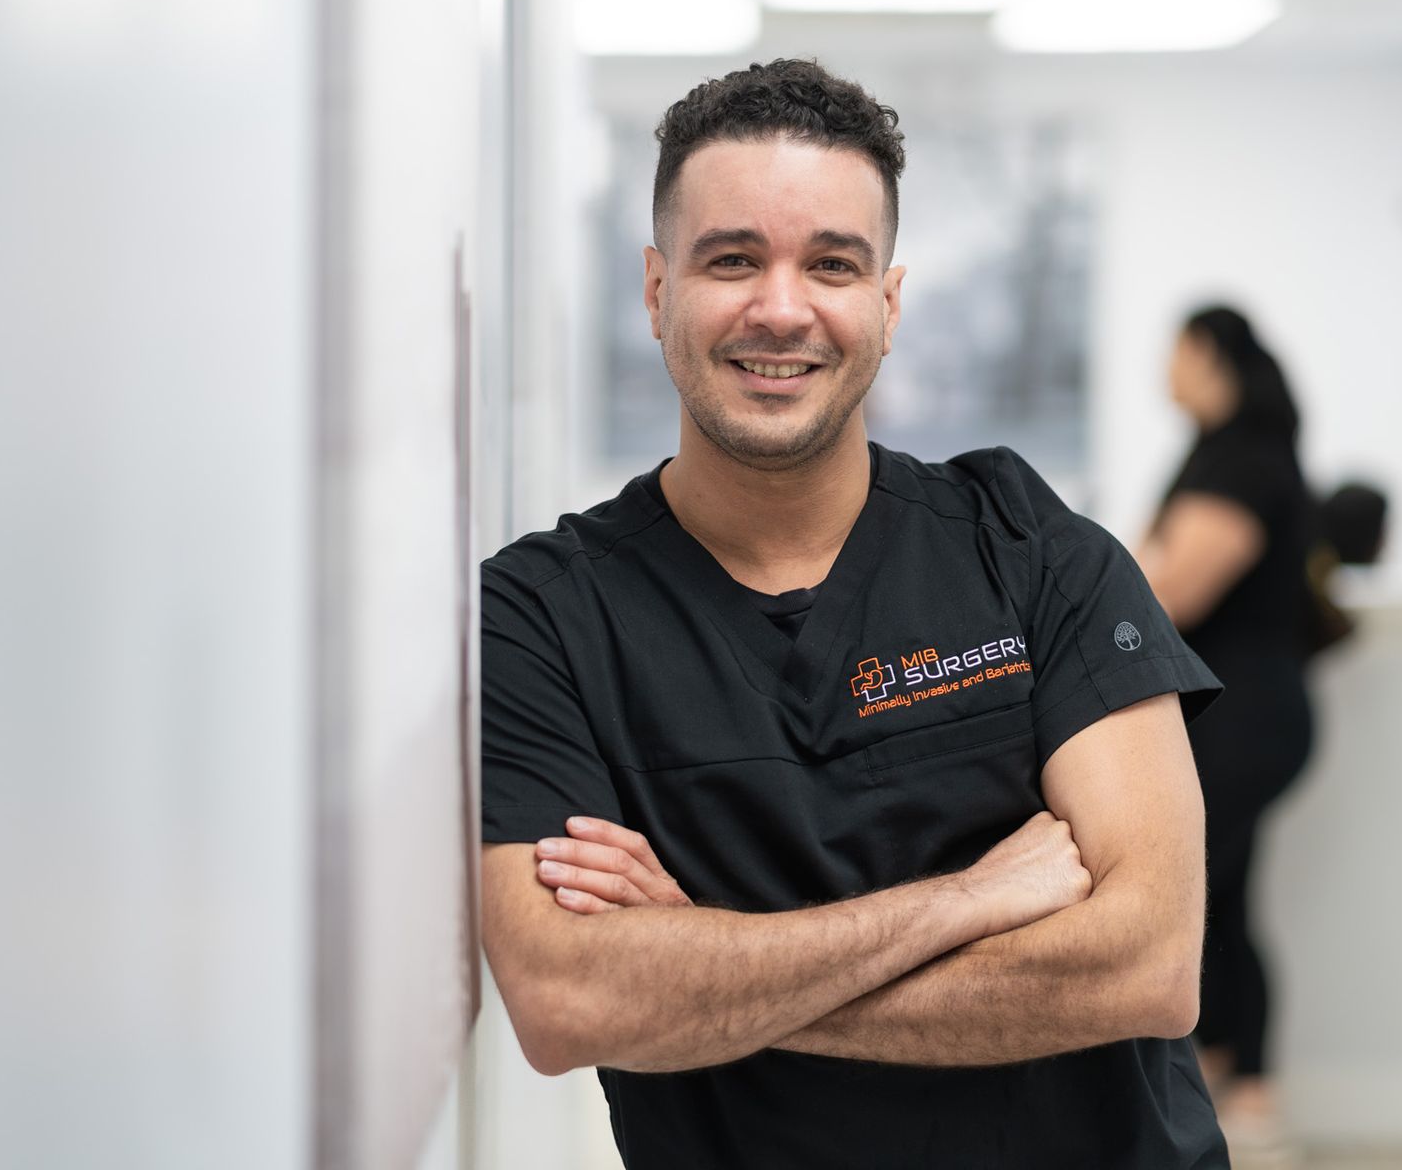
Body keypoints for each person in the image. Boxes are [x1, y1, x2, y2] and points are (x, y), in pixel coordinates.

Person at [479, 59, 1226, 1169]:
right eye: (732, 258)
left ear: (886, 301)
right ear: (655, 289)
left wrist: (696, 967)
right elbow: (568, 997)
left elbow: (1148, 965)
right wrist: (969, 899)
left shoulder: (1029, 551)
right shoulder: (540, 616)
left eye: (831, 263)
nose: (781, 308)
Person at [1135, 305, 1316, 1158]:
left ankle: (1238, 1096)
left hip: (1248, 716)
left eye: (1173, 354)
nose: (1163, 372)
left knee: (1198, 899)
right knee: (1220, 900)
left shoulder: (1242, 460)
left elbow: (1175, 591)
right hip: (1235, 711)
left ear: (1209, 355)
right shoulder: (1221, 453)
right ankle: (1231, 1093)